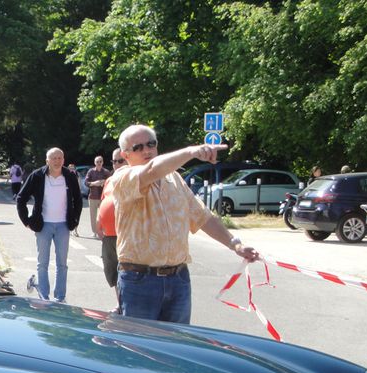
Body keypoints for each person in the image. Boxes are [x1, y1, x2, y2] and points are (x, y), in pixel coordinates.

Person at [111, 124, 259, 324]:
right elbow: (152, 170)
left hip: (178, 279)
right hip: (140, 280)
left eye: (150, 144)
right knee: (140, 350)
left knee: (177, 348)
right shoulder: (122, 178)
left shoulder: (175, 179)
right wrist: (192, 151)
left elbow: (203, 217)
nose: (146, 150)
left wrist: (236, 244)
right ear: (125, 155)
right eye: (137, 147)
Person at [16, 147, 83, 302]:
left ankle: (60, 297)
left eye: (60, 158)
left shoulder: (69, 176)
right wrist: (26, 221)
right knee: (43, 263)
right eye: (53, 158)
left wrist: (75, 220)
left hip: (63, 226)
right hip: (43, 225)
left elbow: (78, 200)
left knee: (62, 264)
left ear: (63, 160)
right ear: (47, 161)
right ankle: (44, 297)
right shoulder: (38, 176)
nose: (57, 161)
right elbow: (21, 198)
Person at [95, 149, 125, 307]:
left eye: (120, 161)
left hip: (125, 235)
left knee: (126, 273)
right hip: (108, 235)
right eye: (114, 161)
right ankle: (120, 304)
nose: (117, 164)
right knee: (112, 272)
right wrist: (99, 223)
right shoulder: (109, 180)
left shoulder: (134, 179)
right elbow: (103, 202)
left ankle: (127, 306)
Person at [84, 156, 112, 236]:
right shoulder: (91, 171)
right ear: (94, 163)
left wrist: (104, 182)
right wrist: (94, 183)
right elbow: (86, 182)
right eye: (97, 162)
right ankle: (95, 232)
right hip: (93, 197)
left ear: (102, 162)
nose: (99, 163)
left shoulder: (106, 172)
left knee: (103, 215)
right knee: (93, 216)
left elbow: (111, 182)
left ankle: (103, 231)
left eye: (100, 161)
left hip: (103, 197)